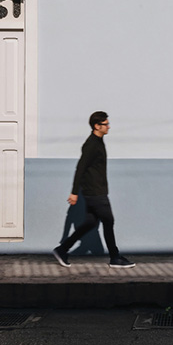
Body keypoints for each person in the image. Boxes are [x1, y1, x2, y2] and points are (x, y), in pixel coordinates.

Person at [52, 111, 134, 268]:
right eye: (106, 124)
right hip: (95, 193)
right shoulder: (91, 145)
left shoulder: (98, 142)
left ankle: (62, 250)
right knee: (109, 221)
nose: (109, 127)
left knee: (90, 223)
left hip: (96, 191)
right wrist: (74, 192)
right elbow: (80, 168)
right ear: (97, 126)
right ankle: (115, 257)